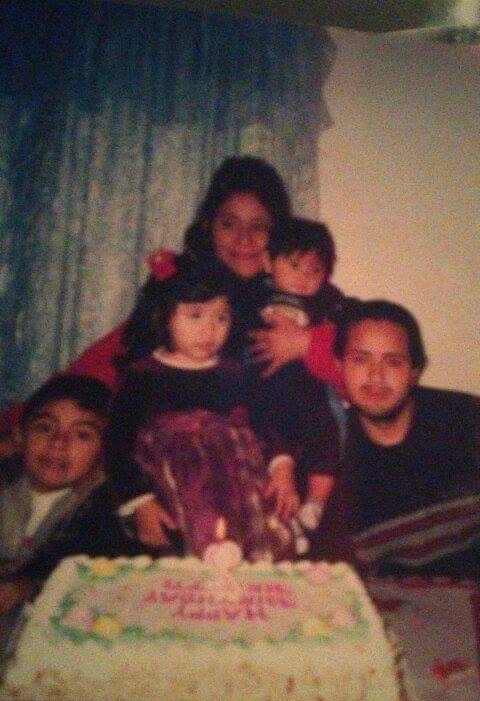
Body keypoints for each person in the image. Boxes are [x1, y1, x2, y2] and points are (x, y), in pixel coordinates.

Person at [0, 156, 340, 444]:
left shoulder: (305, 293)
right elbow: (111, 360)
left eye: (259, 226)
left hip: (277, 452)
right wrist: (20, 422)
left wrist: (308, 344)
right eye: (229, 223)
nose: (244, 238)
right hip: (179, 447)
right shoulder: (183, 288)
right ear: (210, 227)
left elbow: (355, 369)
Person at [107, 257, 304, 563]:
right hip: (173, 499)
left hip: (240, 495)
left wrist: (281, 466)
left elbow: (266, 423)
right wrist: (139, 501)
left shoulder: (237, 374)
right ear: (164, 315)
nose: (209, 330)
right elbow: (116, 446)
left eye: (221, 318)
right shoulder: (141, 377)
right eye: (195, 316)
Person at [334, 299, 480, 580]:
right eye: (361, 359)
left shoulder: (467, 420)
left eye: (393, 362)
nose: (376, 376)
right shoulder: (328, 455)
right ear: (339, 366)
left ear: (415, 372)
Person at [0, 375, 143, 662]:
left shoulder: (104, 506)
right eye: (45, 428)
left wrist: (26, 587)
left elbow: (94, 573)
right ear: (19, 436)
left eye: (82, 435)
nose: (58, 444)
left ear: (104, 452)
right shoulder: (7, 482)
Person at [247, 218, 352, 540]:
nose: (303, 278)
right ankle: (280, 491)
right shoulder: (252, 293)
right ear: (268, 262)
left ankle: (317, 501)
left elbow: (350, 327)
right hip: (264, 383)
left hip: (312, 387)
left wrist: (313, 339)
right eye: (294, 265)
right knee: (263, 426)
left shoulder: (327, 300)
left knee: (328, 431)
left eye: (314, 270)